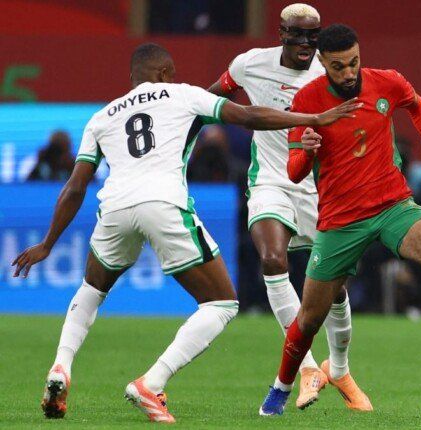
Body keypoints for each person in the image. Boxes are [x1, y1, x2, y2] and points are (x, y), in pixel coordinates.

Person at [11, 43, 358, 423]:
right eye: (171, 73)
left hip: (114, 207)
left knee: (91, 289)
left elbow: (75, 187)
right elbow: (247, 115)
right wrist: (312, 118)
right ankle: (152, 382)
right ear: (164, 73)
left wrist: (48, 243)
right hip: (163, 203)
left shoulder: (102, 116)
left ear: (132, 76)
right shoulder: (183, 94)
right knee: (221, 303)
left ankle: (60, 366)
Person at [259, 24, 421, 416]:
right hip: (341, 221)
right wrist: (308, 150)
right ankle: (280, 389)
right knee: (310, 318)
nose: (349, 72)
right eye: (338, 67)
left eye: (353, 62)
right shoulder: (308, 100)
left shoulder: (387, 82)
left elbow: (416, 104)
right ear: (322, 63)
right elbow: (294, 172)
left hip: (393, 206)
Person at [207, 4, 369, 410]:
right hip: (270, 180)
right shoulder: (250, 64)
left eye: (313, 36)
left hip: (319, 186)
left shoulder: (330, 70)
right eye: (297, 34)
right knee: (272, 259)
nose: (305, 43)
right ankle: (308, 368)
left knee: (334, 287)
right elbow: (209, 100)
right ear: (281, 33)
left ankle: (340, 369)